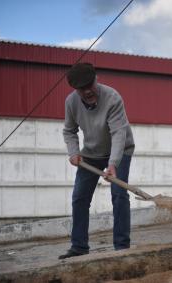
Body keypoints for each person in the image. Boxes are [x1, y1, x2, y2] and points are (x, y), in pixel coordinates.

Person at [59, 62, 135, 259]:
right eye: (81, 89)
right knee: (79, 197)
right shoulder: (71, 102)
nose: (87, 91)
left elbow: (119, 133)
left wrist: (113, 164)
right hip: (91, 154)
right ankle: (79, 247)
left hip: (120, 151)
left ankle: (122, 247)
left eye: (89, 85)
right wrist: (73, 152)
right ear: (76, 89)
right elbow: (69, 131)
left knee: (119, 195)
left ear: (96, 79)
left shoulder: (112, 98)